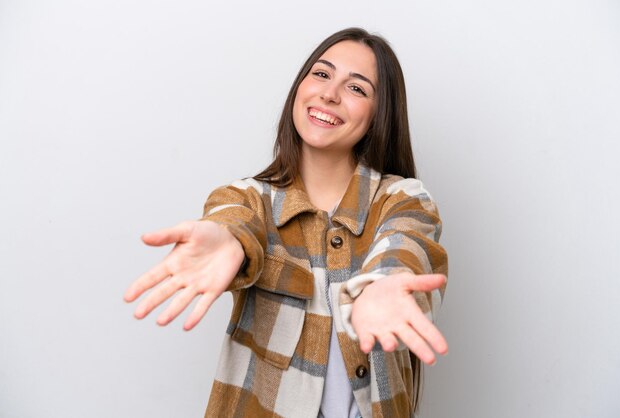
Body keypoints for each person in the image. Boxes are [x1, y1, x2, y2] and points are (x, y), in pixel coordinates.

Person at [124, 27, 448, 418]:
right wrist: (228, 240)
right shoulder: (248, 198)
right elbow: (232, 219)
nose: (330, 93)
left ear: (380, 114)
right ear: (301, 87)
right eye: (322, 74)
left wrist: (382, 286)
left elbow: (406, 244)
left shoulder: (403, 199)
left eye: (357, 88)